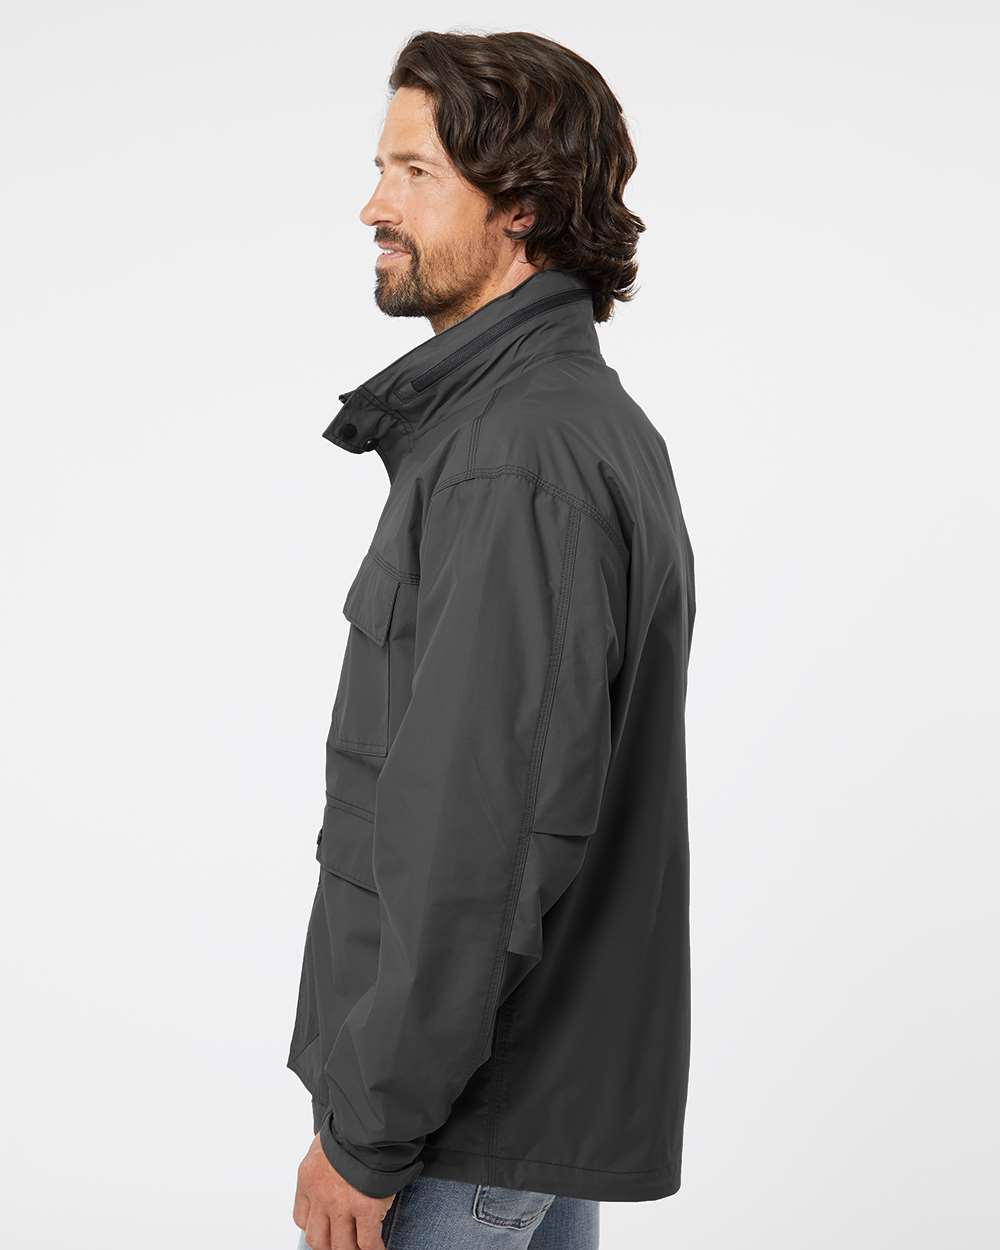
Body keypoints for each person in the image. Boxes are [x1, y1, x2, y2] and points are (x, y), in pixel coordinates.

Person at [288, 29, 696, 1250]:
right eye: (380, 168)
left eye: (415, 172)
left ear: (521, 205)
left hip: (456, 1126)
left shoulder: (514, 458)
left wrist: (367, 1129)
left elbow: (485, 838)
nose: (374, 206)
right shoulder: (557, 426)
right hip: (511, 1095)